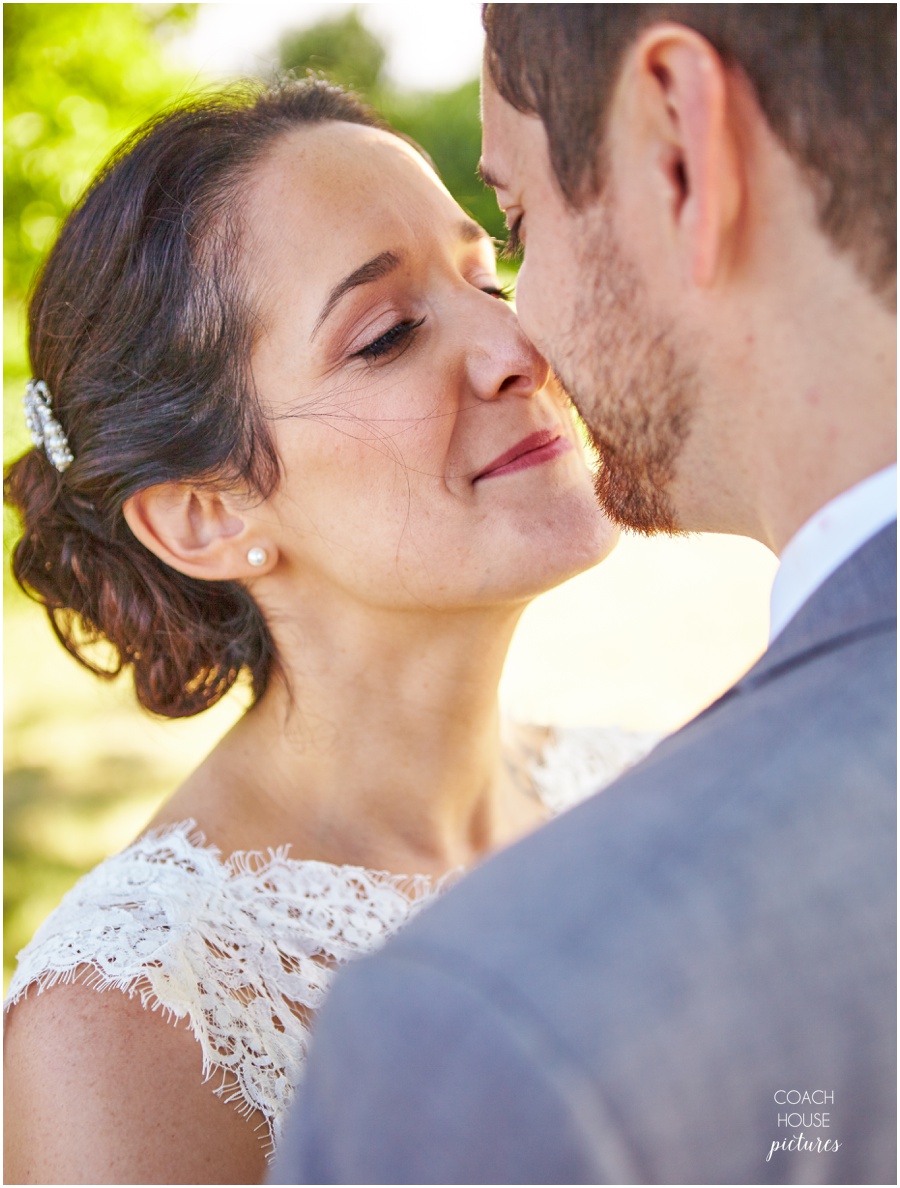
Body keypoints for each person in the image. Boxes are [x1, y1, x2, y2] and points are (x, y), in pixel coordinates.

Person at [271, 5, 897, 1184]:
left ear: (681, 145)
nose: (523, 341)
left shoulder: (489, 1026)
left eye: (510, 231)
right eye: (391, 330)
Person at [2, 78, 661, 1184]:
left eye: (487, 272)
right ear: (206, 515)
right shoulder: (139, 1023)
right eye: (389, 333)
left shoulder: (642, 789)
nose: (517, 345)